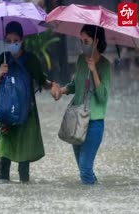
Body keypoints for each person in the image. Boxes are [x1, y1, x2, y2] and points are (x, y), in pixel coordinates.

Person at [0, 21, 60, 183]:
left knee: (23, 166)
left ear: (22, 40)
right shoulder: (2, 59)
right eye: (8, 40)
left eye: (15, 40)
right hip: (5, 116)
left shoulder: (31, 60)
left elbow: (42, 81)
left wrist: (53, 87)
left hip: (26, 116)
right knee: (4, 161)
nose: (12, 44)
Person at [53, 25, 111, 185]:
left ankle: (95, 204)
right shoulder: (80, 60)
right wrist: (61, 91)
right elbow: (74, 85)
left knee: (85, 169)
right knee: (84, 171)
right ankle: (94, 200)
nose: (82, 44)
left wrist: (94, 71)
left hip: (94, 123)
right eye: (81, 40)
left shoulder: (105, 65)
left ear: (96, 41)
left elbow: (103, 97)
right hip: (76, 120)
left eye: (86, 41)